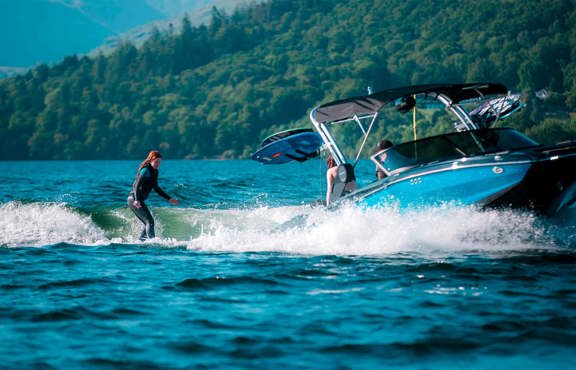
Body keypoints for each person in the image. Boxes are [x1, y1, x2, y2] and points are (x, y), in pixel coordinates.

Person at [127, 150, 179, 240]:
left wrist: (169, 199)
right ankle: (152, 242)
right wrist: (137, 200)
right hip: (133, 199)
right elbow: (136, 185)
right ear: (151, 160)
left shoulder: (155, 172)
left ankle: (141, 241)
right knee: (149, 222)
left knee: (147, 223)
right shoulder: (145, 170)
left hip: (138, 200)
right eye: (156, 161)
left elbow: (156, 188)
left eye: (159, 162)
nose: (158, 164)